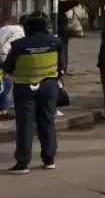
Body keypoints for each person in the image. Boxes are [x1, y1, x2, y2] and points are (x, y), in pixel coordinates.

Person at [2, 11, 63, 174]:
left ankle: (23, 163)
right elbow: (62, 66)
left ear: (28, 27)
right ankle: (49, 159)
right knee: (47, 122)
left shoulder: (19, 45)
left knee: (25, 125)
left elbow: (8, 67)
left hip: (24, 88)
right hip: (49, 87)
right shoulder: (56, 42)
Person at [0, 15, 27, 119]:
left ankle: (3, 111)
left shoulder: (10, 28)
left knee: (4, 84)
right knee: (6, 83)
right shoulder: (18, 33)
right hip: (2, 60)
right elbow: (6, 49)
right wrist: (6, 66)